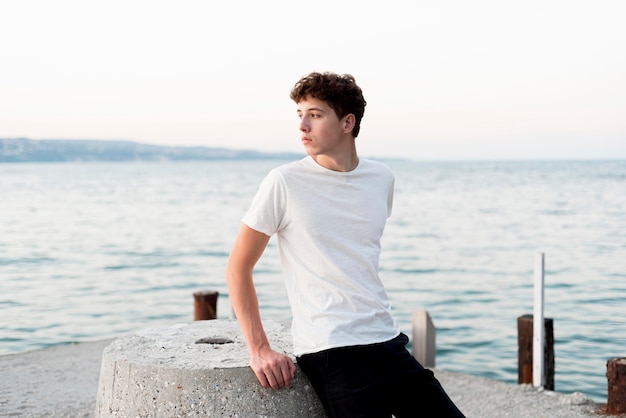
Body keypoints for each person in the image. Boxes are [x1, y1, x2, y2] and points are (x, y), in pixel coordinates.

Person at [226, 71, 465, 418]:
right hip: (332, 351)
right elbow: (238, 267)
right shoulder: (285, 182)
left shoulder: (381, 178)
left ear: (347, 122)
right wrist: (259, 348)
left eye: (316, 115)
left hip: (387, 339)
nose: (302, 126)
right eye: (299, 115)